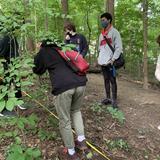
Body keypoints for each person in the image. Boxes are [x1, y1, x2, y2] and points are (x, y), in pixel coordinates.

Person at [33, 39, 88, 160]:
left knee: (65, 120)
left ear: (42, 45)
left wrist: (38, 53)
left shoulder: (44, 52)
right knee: (76, 111)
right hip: (81, 82)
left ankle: (71, 152)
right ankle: (81, 141)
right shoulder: (62, 48)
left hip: (63, 87)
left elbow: (37, 70)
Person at [97, 12, 123, 108]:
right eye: (101, 20)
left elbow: (119, 48)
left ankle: (114, 100)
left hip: (111, 61)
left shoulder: (115, 32)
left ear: (109, 20)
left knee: (112, 80)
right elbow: (100, 47)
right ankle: (108, 98)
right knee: (106, 80)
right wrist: (99, 58)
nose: (102, 22)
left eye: (103, 20)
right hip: (103, 62)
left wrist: (113, 59)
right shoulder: (101, 34)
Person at [0, 33, 26, 117]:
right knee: (4, 84)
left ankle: (19, 101)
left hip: (13, 65)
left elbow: (15, 51)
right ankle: (2, 108)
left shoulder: (12, 36)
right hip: (7, 65)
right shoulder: (5, 37)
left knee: (16, 81)